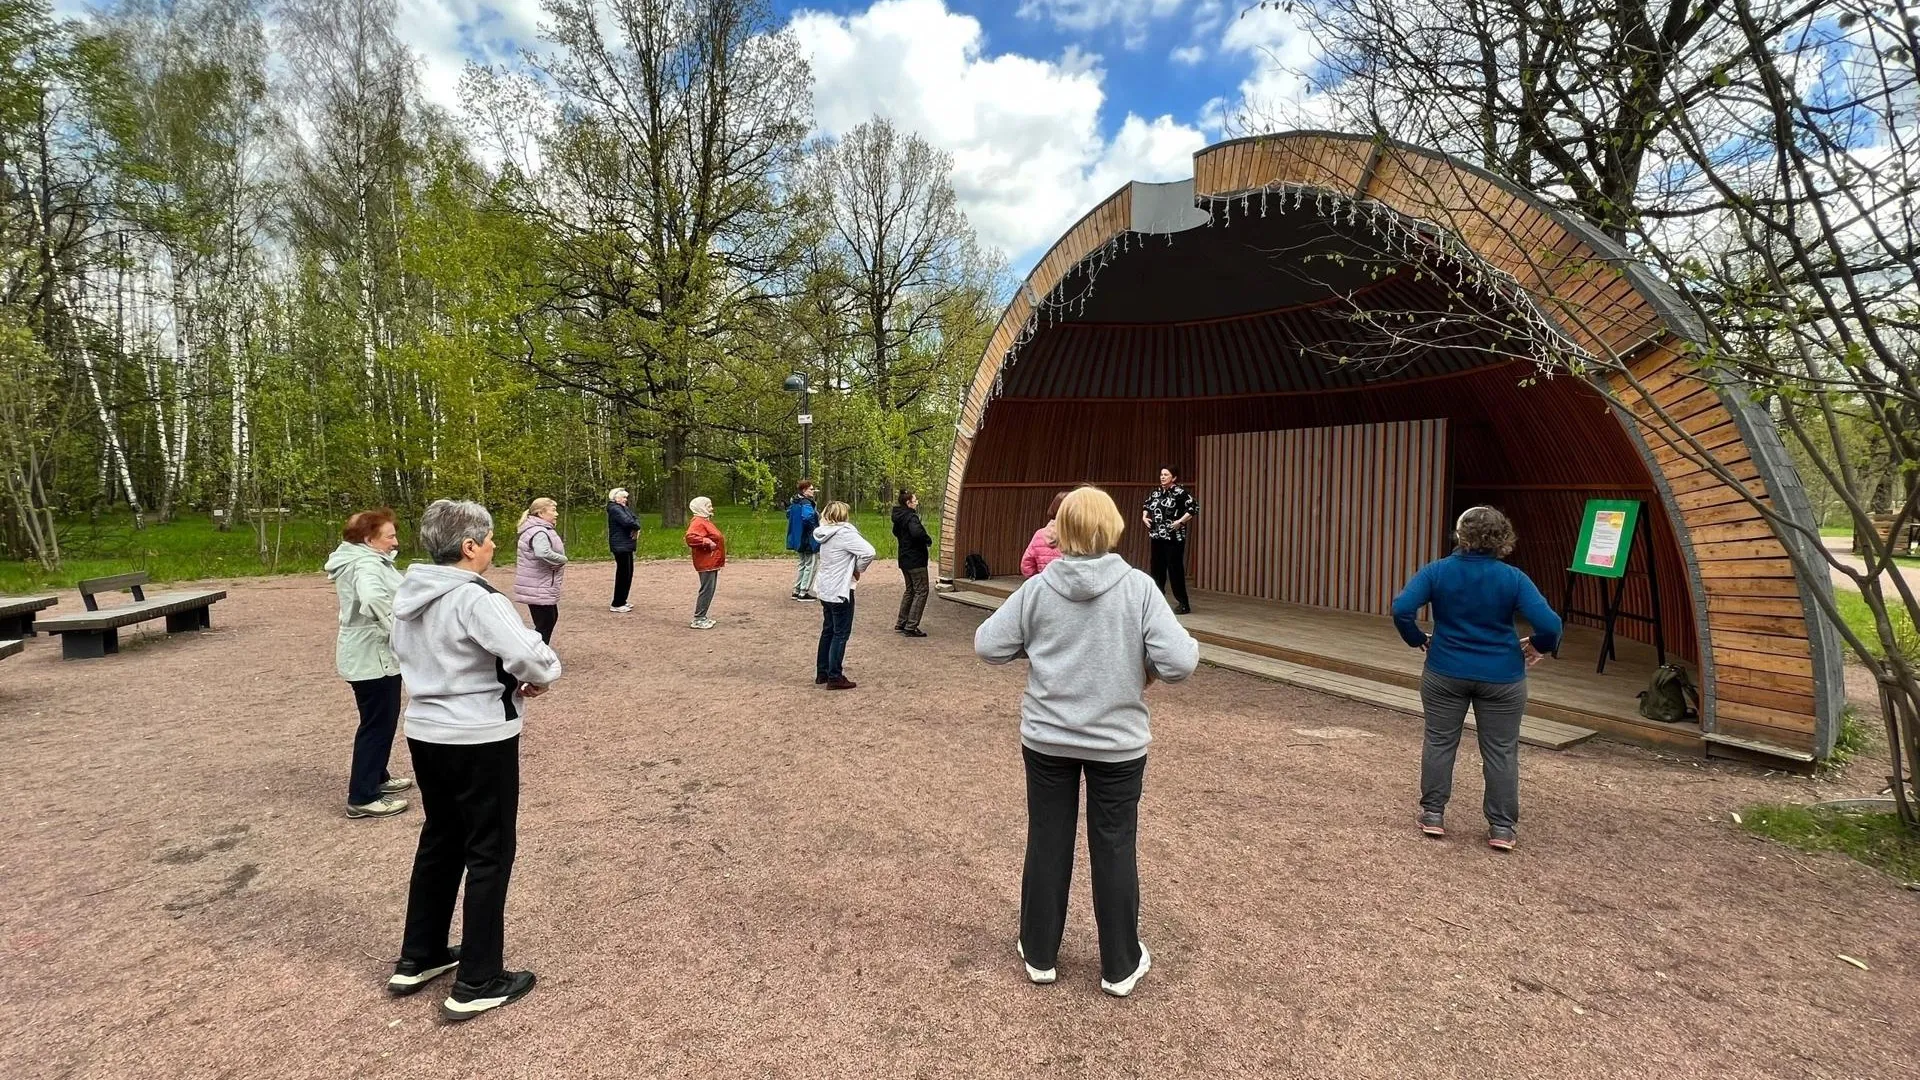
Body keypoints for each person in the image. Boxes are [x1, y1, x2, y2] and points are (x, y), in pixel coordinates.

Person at [974, 486, 1198, 999]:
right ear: (1112, 526)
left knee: (1048, 838)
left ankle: (1039, 953)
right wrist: (1147, 668)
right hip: (1118, 744)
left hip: (1048, 739)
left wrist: (1035, 653)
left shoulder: (1038, 589)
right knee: (1115, 845)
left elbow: (988, 645)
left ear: (1063, 529)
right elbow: (1180, 663)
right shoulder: (1139, 589)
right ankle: (1119, 964)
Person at [387, 499, 563, 1021]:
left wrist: (509, 675)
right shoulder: (476, 597)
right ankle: (479, 978)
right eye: (488, 540)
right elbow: (531, 656)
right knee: (489, 850)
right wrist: (539, 672)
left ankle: (420, 953)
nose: (493, 548)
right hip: (478, 735)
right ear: (468, 547)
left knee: (441, 839)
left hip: (426, 730)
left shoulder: (408, 593)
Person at [1392, 505, 1562, 853]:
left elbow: (1402, 608)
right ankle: (1501, 827)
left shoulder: (1438, 571)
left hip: (1445, 670)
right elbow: (1550, 625)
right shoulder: (1513, 578)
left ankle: (1433, 813)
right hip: (1502, 675)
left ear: (1460, 535)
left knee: (1440, 741)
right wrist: (1537, 646)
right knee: (1501, 749)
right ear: (1503, 538)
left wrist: (1416, 639)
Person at [324, 508, 411, 820]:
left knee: (379, 719)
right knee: (377, 723)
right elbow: (372, 598)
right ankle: (363, 795)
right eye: (389, 536)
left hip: (369, 654)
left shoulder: (363, 558)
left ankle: (377, 776)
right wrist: (397, 631)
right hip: (372, 656)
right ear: (368, 538)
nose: (395, 541)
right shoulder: (366, 563)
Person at [812, 501, 874, 689]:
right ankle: (835, 676)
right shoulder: (845, 533)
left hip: (825, 588)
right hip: (841, 589)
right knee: (840, 633)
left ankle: (822, 672)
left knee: (828, 630)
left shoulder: (823, 532)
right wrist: (857, 569)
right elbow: (869, 552)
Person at [1141, 467, 1198, 614]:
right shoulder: (1156, 492)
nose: (1162, 477)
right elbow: (1147, 504)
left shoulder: (1180, 493)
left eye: (1166, 475)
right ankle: (1156, 602)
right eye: (1161, 474)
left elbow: (1193, 508)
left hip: (1173, 537)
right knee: (1156, 569)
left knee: (1174, 569)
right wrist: (1144, 516)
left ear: (1174, 478)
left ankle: (1183, 603)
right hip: (1156, 535)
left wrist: (1181, 521)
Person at [512, 497, 567, 644]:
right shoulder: (539, 532)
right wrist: (562, 559)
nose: (557, 514)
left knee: (549, 620)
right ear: (541, 513)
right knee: (545, 623)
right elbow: (542, 552)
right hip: (538, 586)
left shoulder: (540, 529)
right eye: (553, 510)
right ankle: (536, 657)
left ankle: (539, 655)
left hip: (541, 585)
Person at [891, 489, 932, 637]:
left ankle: (901, 622)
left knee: (910, 590)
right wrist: (927, 539)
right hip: (916, 560)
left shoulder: (898, 517)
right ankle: (911, 625)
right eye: (915, 501)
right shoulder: (911, 517)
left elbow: (895, 532)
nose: (917, 503)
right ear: (908, 503)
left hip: (904, 558)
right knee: (922, 590)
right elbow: (917, 533)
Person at [685, 496, 726, 630]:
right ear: (701, 507)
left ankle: (702, 616)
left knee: (710, 589)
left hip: (712, 560)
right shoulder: (698, 522)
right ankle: (698, 618)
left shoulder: (704, 521)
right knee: (706, 589)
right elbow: (691, 537)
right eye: (708, 506)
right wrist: (706, 542)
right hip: (706, 561)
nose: (711, 508)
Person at [1020, 491, 1071, 579]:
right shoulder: (1078, 536)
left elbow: (1027, 564)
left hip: (1045, 584)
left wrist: (1038, 580)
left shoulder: (1040, 534)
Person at [786, 480, 822, 601]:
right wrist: (815, 528)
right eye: (811, 489)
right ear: (804, 491)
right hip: (807, 538)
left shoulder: (795, 502)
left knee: (802, 564)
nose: (813, 491)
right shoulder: (806, 503)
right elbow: (807, 518)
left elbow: (788, 515)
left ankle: (797, 590)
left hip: (797, 538)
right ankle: (804, 591)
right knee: (811, 565)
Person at [607, 488, 639, 613]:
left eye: (626, 498)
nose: (625, 500)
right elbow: (628, 522)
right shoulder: (615, 509)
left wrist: (636, 525)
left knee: (628, 573)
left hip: (626, 544)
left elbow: (634, 518)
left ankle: (622, 600)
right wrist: (636, 526)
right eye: (623, 497)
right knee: (623, 574)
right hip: (620, 545)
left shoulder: (622, 508)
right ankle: (617, 603)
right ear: (615, 498)